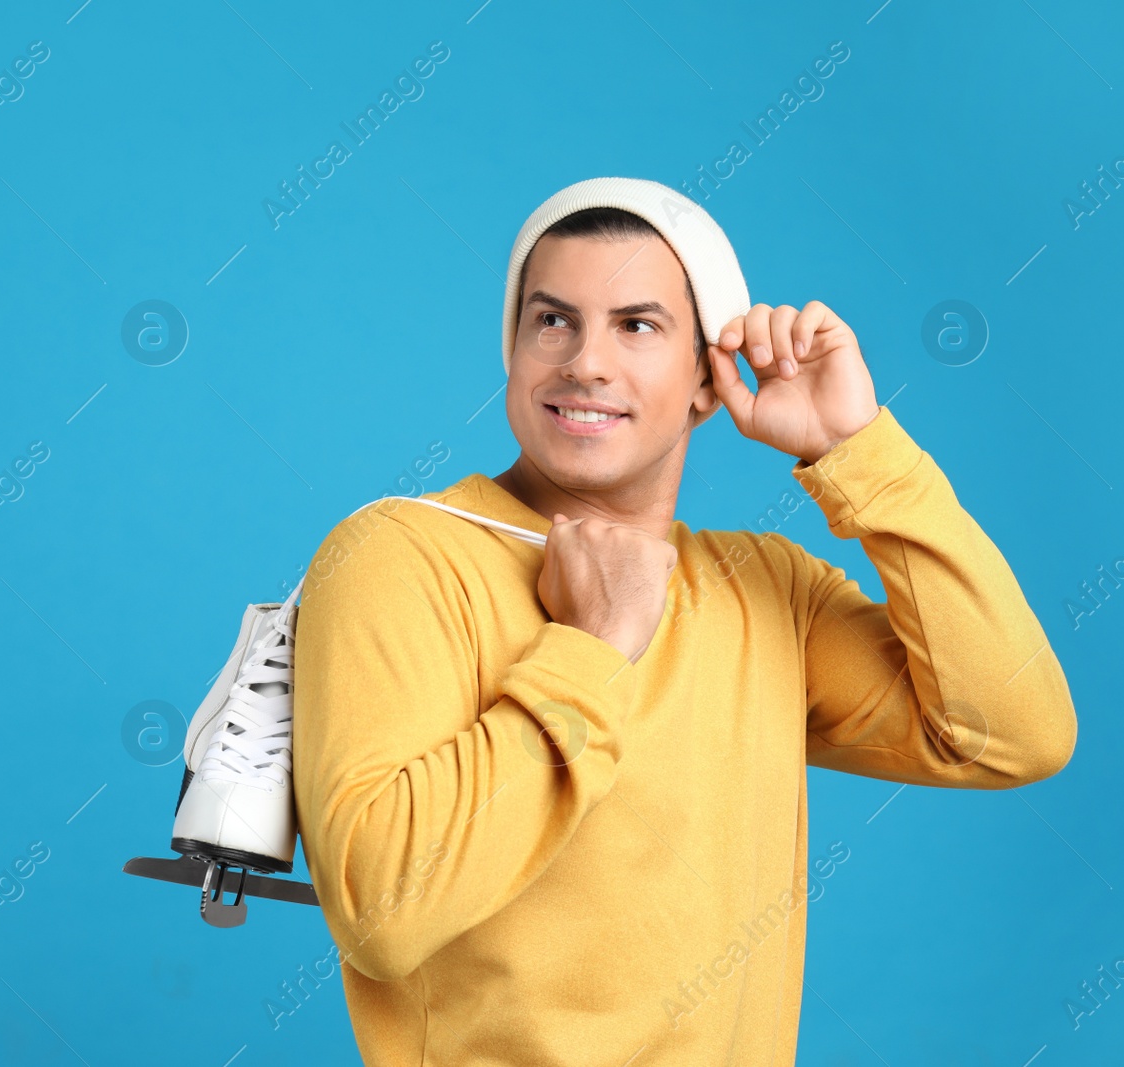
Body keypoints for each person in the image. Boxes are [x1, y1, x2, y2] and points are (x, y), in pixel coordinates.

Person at [289, 176, 1077, 1066]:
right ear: (510, 350)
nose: (584, 362)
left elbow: (1014, 732)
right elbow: (381, 914)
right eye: (552, 320)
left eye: (637, 325)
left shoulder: (763, 588)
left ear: (710, 378)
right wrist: (591, 649)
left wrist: (858, 452)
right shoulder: (401, 554)